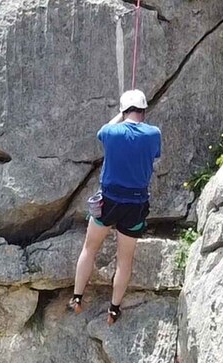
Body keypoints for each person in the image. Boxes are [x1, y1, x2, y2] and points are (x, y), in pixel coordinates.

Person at [69, 89, 162, 325]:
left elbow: (102, 130)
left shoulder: (111, 131)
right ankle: (113, 310)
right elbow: (154, 152)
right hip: (136, 205)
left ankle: (77, 298)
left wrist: (119, 116)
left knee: (90, 248)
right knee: (124, 260)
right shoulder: (153, 134)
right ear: (143, 109)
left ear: (123, 110)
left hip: (108, 201)